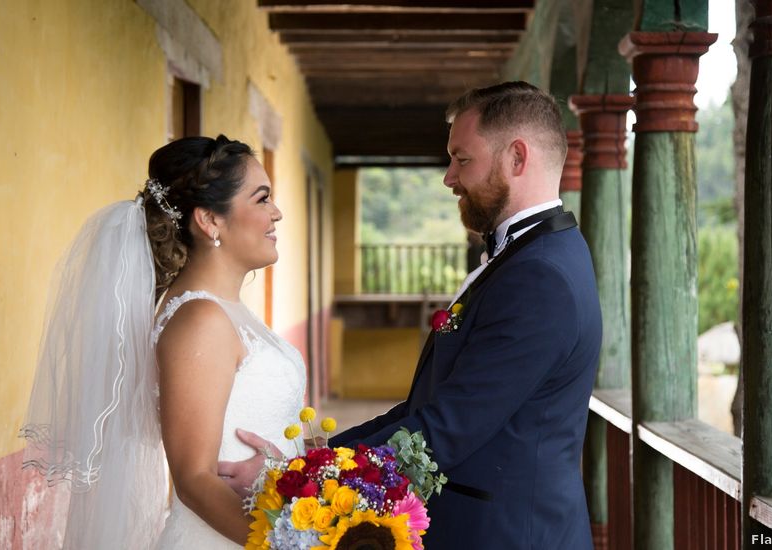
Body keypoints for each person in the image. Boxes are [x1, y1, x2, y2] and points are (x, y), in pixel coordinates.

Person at [222, 81, 602, 549]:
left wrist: (297, 474)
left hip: (508, 534)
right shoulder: (536, 257)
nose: (448, 177)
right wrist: (312, 454)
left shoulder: (539, 276)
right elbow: (427, 408)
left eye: (462, 159)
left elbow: (447, 427)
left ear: (517, 158)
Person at [20, 135, 303, 549]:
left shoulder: (224, 311)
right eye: (262, 200)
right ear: (210, 221)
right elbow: (193, 479)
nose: (276, 213)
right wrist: (282, 544)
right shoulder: (200, 321)